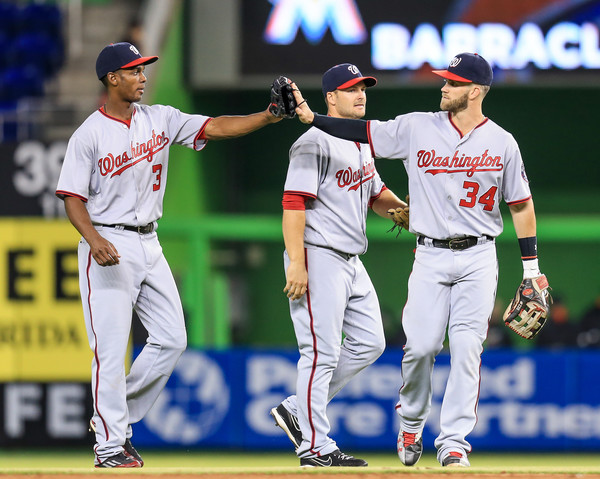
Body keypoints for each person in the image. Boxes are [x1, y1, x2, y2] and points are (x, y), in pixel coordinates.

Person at [289, 53, 548, 467]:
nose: (444, 87)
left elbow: (521, 205)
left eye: (454, 82)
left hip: (480, 255)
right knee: (422, 348)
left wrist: (532, 268)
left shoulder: (502, 142)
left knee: (467, 348)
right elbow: (360, 131)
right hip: (429, 254)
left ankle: (454, 443)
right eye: (444, 80)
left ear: (476, 91)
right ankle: (411, 422)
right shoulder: (415, 127)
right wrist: (312, 118)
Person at [55, 42, 282, 468]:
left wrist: (269, 115)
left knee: (173, 338)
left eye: (144, 70)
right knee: (109, 349)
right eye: (134, 70)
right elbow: (71, 198)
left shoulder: (160, 118)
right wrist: (93, 239)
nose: (143, 77)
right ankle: (109, 445)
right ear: (112, 78)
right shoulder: (88, 134)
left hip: (150, 241)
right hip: (107, 240)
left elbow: (217, 127)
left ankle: (113, 416)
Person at [269, 63, 408, 467]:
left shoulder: (360, 141)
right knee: (320, 351)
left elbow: (376, 192)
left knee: (371, 342)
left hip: (351, 258)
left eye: (363, 88)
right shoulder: (312, 142)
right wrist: (297, 262)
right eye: (350, 90)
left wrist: (405, 211)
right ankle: (315, 446)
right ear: (330, 98)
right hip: (318, 253)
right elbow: (293, 202)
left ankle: (297, 408)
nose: (360, 94)